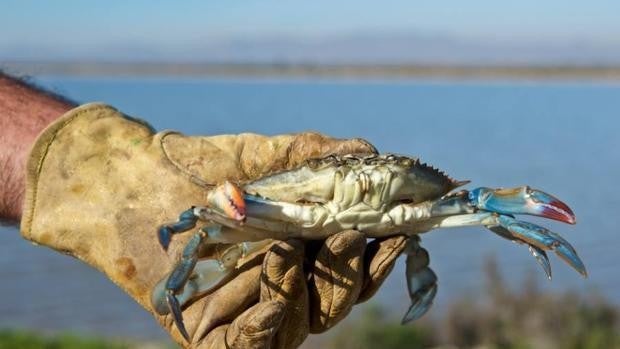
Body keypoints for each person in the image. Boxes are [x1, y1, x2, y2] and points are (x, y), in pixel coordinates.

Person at [0, 70, 406, 348]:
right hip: (255, 225)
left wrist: (102, 172)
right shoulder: (237, 202)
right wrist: (113, 184)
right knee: (207, 237)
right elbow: (207, 216)